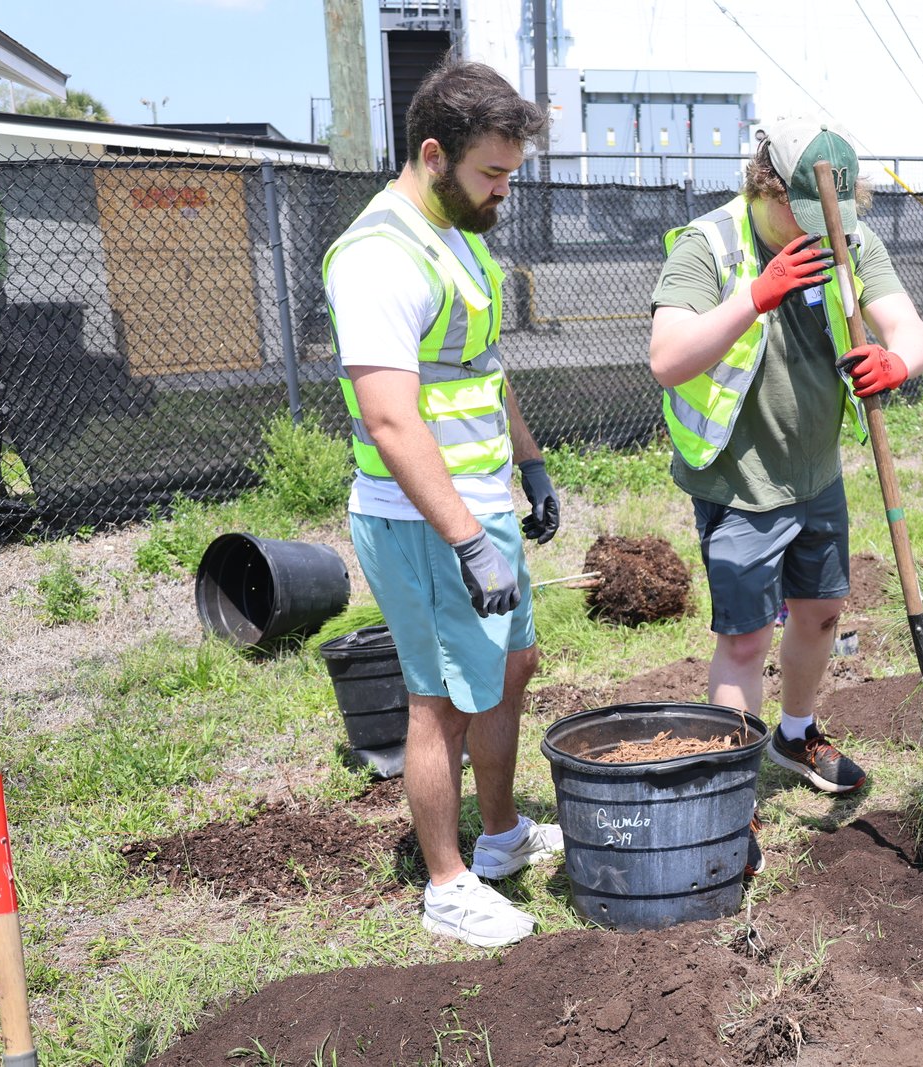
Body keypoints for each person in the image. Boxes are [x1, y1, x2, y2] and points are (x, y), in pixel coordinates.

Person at [322, 59, 564, 948]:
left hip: (481, 501)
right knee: (440, 698)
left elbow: (479, 368)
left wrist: (530, 464)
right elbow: (390, 418)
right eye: (491, 173)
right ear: (433, 155)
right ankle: (448, 884)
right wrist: (466, 539)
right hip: (423, 520)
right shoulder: (378, 257)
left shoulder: (456, 233)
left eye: (510, 173)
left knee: (511, 664)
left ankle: (499, 835)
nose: (504, 191)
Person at [648, 118, 923, 794]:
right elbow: (667, 358)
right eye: (802, 211)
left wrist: (898, 362)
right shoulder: (710, 245)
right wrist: (755, 297)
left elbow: (909, 327)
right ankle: (730, 789)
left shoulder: (848, 239)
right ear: (766, 186)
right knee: (746, 639)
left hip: (816, 474)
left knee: (821, 613)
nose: (818, 228)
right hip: (740, 481)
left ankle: (796, 733)